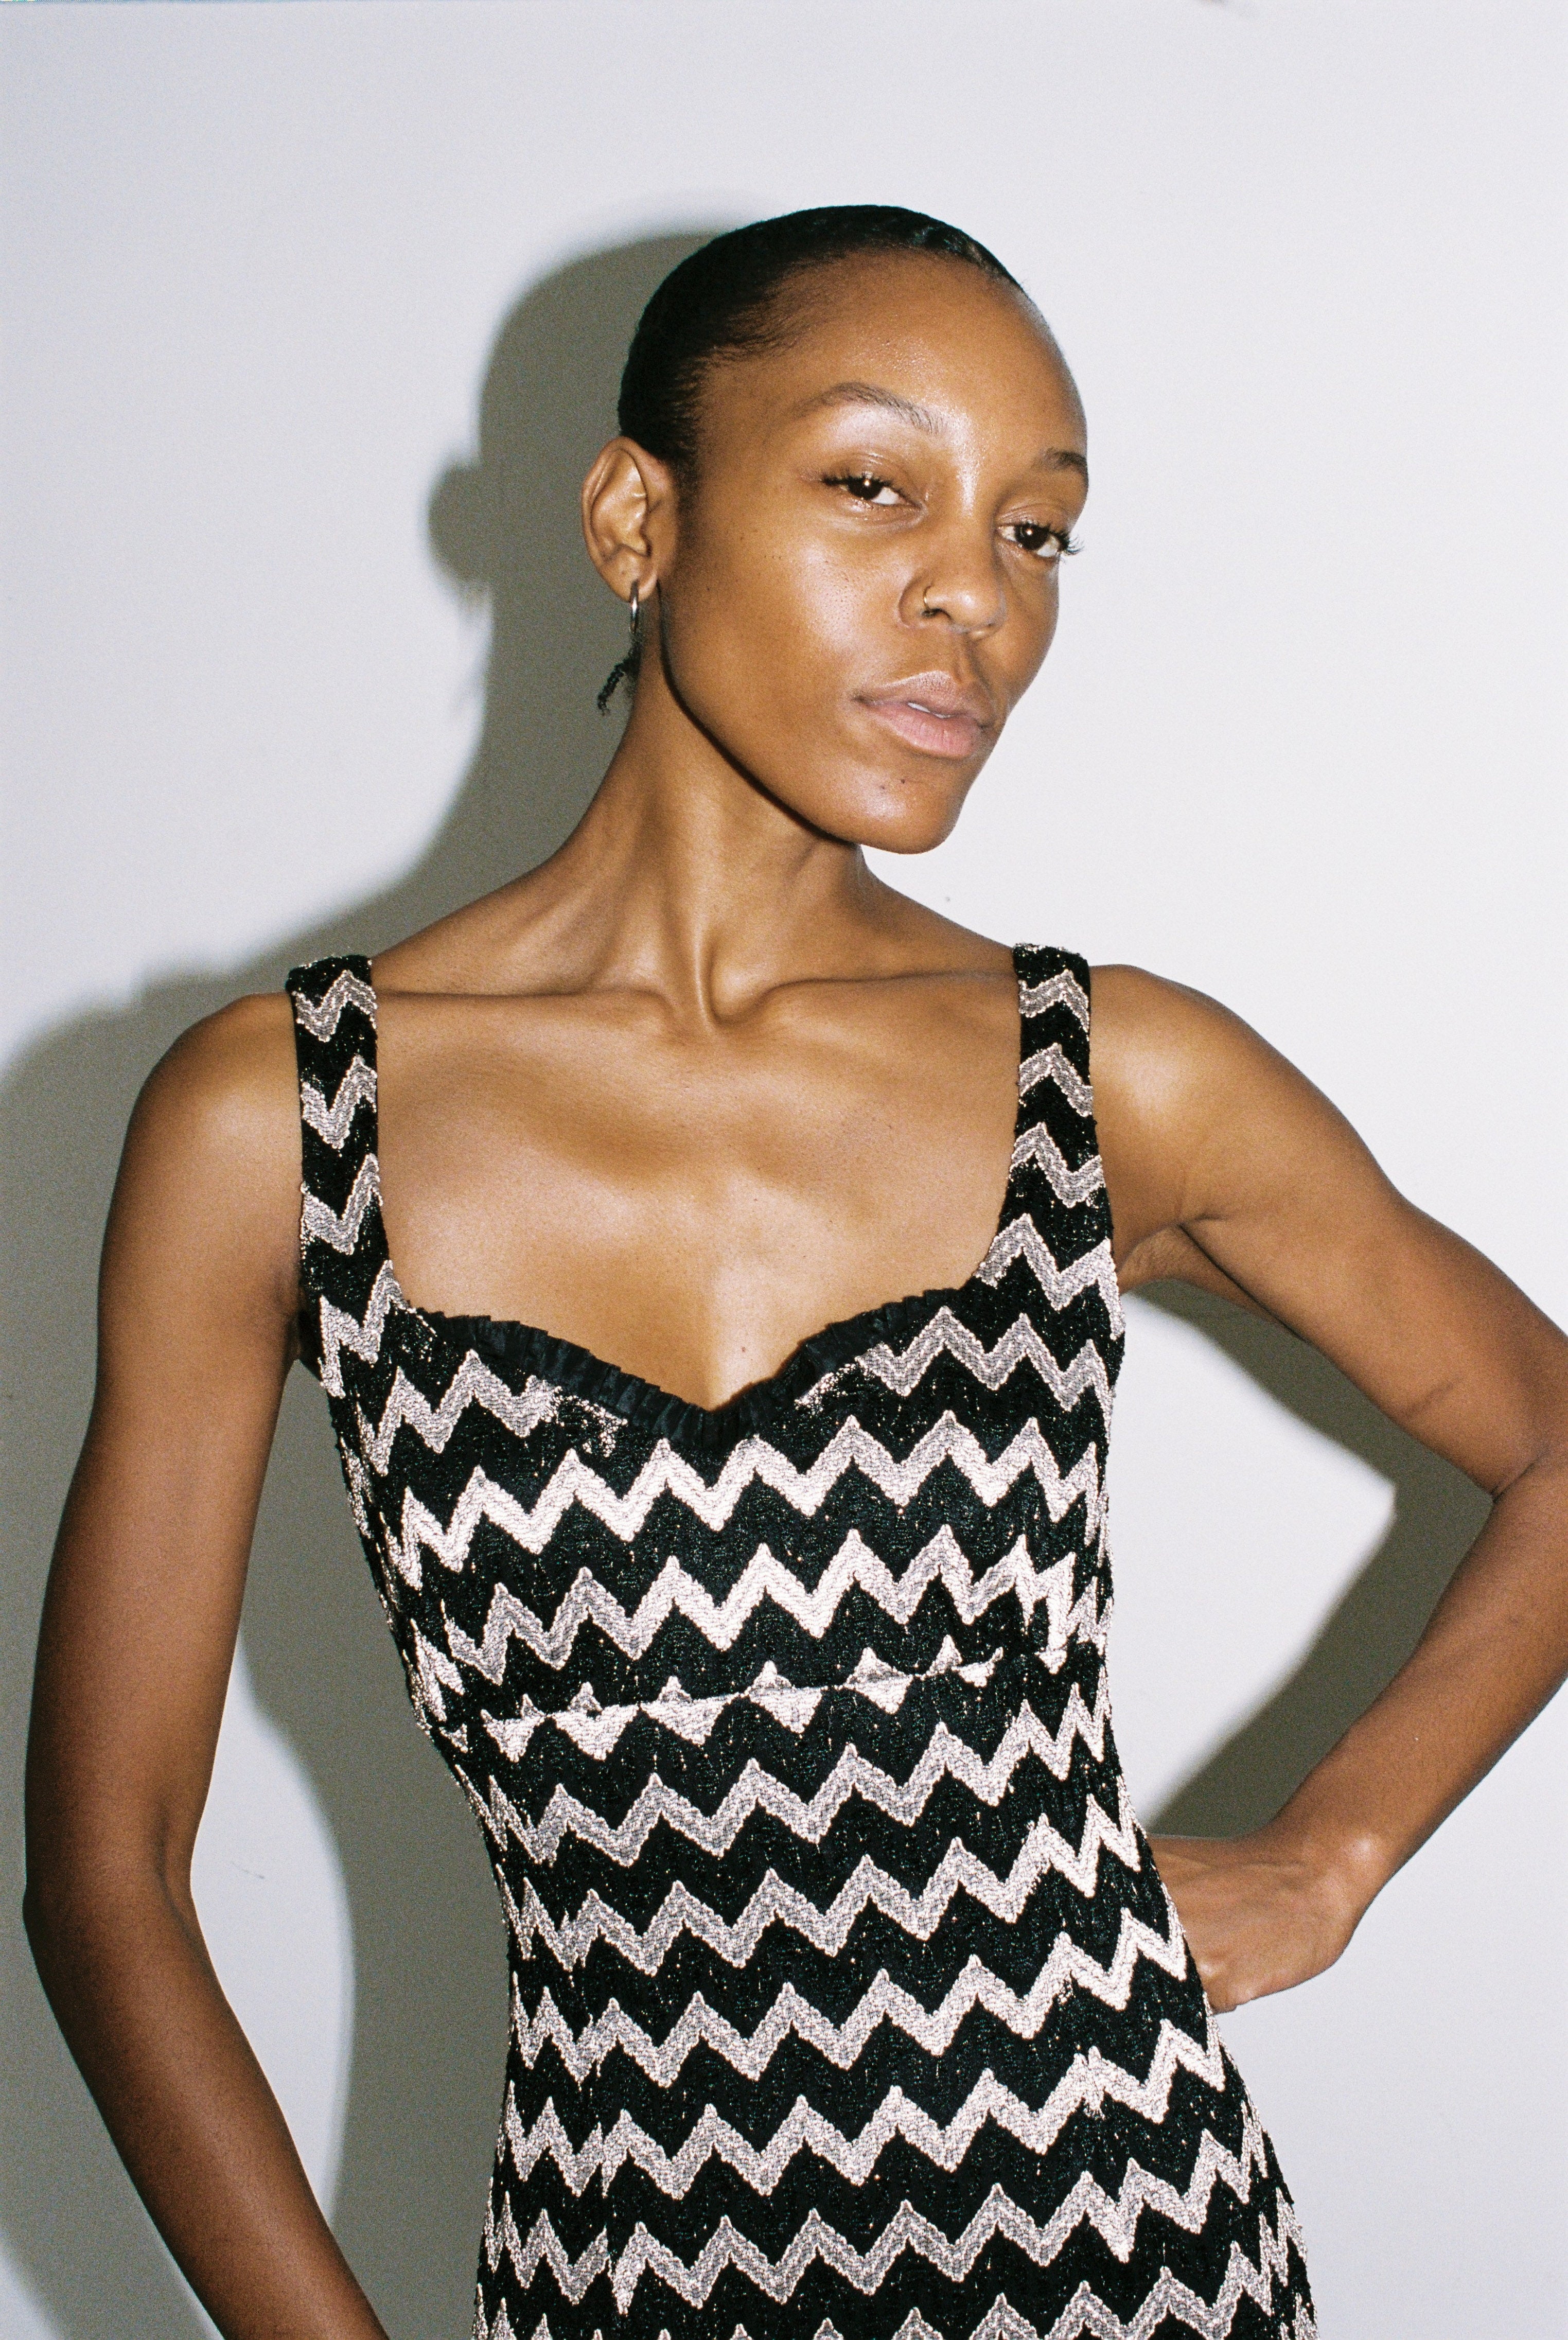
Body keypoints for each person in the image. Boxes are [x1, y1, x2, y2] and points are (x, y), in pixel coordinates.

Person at [22, 205, 1568, 2340]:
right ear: (634, 515)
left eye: (1043, 535)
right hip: (616, 2278)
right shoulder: (272, 1126)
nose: (976, 597)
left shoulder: (1115, 1079)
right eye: (875, 485)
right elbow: (111, 1872)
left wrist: (1336, 1853)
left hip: (1136, 2258)